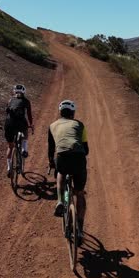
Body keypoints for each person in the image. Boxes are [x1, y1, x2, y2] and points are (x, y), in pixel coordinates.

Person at [48, 99, 89, 237]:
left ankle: (60, 200)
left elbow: (51, 148)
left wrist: (51, 162)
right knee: (79, 193)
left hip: (62, 157)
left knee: (60, 172)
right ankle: (80, 230)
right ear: (73, 113)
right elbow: (86, 149)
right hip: (78, 158)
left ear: (60, 112)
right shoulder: (79, 124)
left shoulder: (52, 125)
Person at [4, 84, 34, 177]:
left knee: (10, 146)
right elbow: (29, 115)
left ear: (14, 91)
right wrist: (31, 124)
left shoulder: (10, 100)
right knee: (25, 134)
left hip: (8, 124)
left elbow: (7, 112)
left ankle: (9, 168)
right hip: (20, 124)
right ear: (24, 92)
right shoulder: (26, 101)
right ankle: (24, 150)